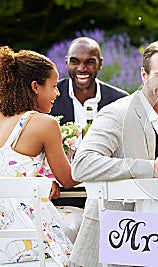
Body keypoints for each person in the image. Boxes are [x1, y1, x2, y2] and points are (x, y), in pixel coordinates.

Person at [70, 40, 158, 267]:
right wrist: (151, 169)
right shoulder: (117, 113)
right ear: (143, 75)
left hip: (155, 244)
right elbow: (82, 164)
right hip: (109, 248)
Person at [0, 46, 81, 265]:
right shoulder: (44, 123)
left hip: (3, 237)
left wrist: (39, 181)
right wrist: (93, 158)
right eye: (54, 86)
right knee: (85, 221)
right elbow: (69, 179)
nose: (58, 93)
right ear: (35, 86)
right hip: (29, 232)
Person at [49, 37, 128, 208]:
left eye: (89, 62)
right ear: (66, 63)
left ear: (100, 63)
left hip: (108, 192)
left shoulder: (120, 100)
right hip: (61, 194)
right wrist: (45, 179)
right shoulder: (49, 98)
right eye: (75, 61)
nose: (81, 68)